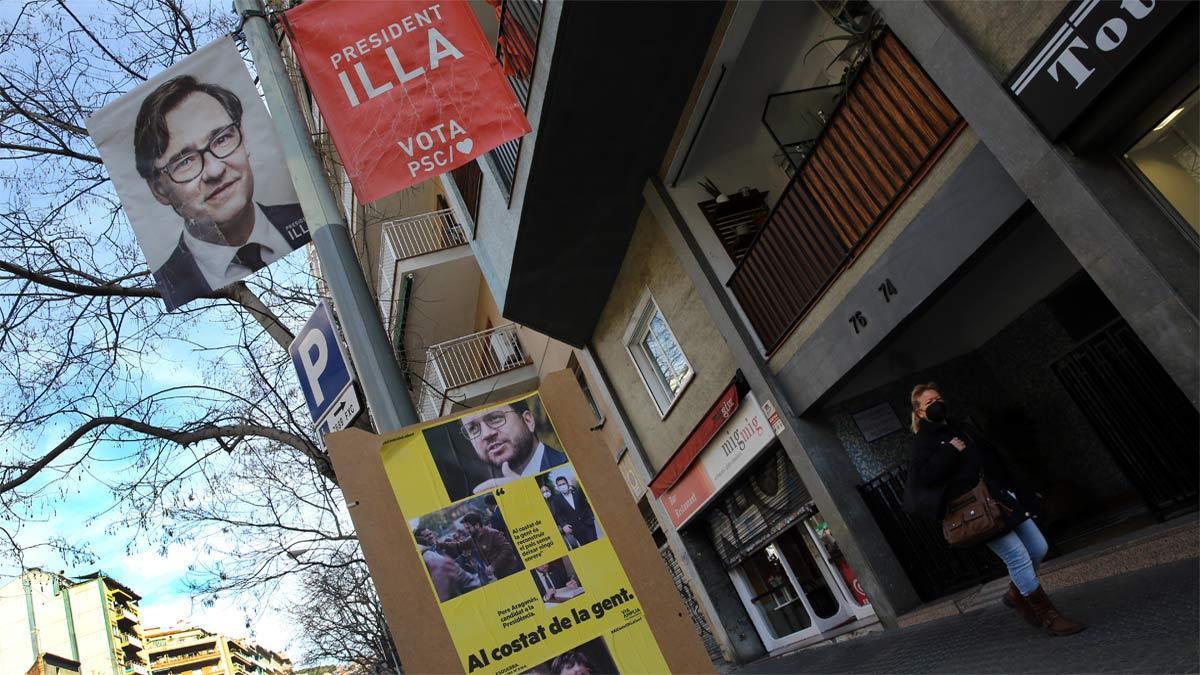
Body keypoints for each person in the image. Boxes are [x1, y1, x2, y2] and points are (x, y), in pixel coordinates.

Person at [904, 383, 1084, 636]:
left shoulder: (960, 427)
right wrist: (948, 453)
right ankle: (1050, 617)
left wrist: (1021, 489)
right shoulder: (924, 442)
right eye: (930, 402)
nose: (937, 404)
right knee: (1018, 557)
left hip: (1001, 498)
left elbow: (992, 460)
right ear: (920, 412)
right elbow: (923, 479)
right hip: (977, 510)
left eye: (939, 398)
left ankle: (1016, 594)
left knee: (1038, 547)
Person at [133, 75, 310, 310]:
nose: (215, 170)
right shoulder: (175, 284)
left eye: (222, 139)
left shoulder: (311, 212)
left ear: (244, 139)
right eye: (185, 162)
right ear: (159, 189)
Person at [461, 400, 568, 493]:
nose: (486, 434)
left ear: (528, 421)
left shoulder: (571, 465)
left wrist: (530, 490)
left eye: (495, 418)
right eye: (473, 429)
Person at [442, 512, 522, 581]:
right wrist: (439, 543)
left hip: (512, 570)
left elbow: (507, 549)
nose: (467, 531)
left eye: (468, 528)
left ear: (477, 525)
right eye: (466, 528)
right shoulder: (473, 538)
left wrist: (493, 566)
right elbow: (459, 545)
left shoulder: (493, 533)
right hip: (500, 574)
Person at [414, 527, 480, 602]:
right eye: (426, 536)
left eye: (430, 534)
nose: (431, 536)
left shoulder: (444, 545)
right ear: (420, 540)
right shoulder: (424, 559)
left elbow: (460, 546)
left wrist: (464, 557)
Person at [548, 475, 598, 547]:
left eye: (563, 484)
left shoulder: (577, 493)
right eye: (560, 485)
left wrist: (591, 516)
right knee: (586, 547)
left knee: (596, 545)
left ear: (567, 483)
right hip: (575, 529)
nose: (562, 486)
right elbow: (558, 515)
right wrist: (563, 525)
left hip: (588, 524)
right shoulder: (556, 500)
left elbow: (586, 505)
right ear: (558, 487)